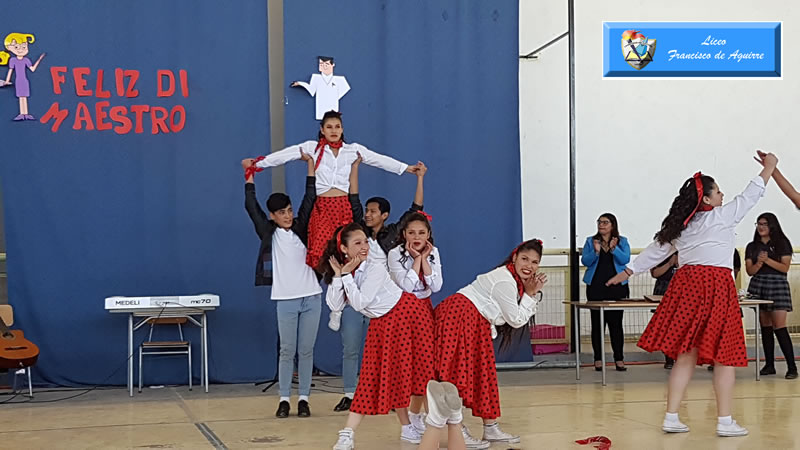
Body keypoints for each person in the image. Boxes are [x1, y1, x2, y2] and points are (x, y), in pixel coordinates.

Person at [608, 151, 779, 437]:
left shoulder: (681, 228)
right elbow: (751, 194)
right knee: (724, 355)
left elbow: (655, 251)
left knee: (685, 355)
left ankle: (671, 416)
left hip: (687, 287)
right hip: (717, 287)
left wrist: (628, 271)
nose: (723, 195)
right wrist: (770, 167)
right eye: (718, 191)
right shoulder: (723, 216)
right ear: (707, 200)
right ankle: (725, 421)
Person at [243, 110, 421, 270]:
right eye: (329, 127)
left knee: (346, 251)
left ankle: (346, 290)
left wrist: (407, 168)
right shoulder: (313, 148)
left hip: (344, 207)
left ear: (342, 129)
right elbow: (286, 155)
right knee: (321, 255)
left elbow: (379, 160)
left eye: (337, 127)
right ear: (322, 130)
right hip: (322, 208)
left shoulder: (352, 150)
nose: (334, 130)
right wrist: (258, 164)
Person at [322, 223, 435, 446]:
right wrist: (338, 276)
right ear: (344, 249)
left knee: (420, 373)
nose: (364, 246)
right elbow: (335, 304)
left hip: (406, 315)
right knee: (374, 377)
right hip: (383, 323)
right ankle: (349, 434)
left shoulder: (375, 267)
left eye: (365, 241)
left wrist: (345, 277)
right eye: (358, 243)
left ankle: (428, 424)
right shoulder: (347, 271)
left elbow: (360, 302)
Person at [434, 239, 547, 448]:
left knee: (483, 374)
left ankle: (490, 427)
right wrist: (531, 294)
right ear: (514, 257)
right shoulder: (505, 281)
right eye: (524, 259)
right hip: (459, 317)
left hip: (474, 320)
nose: (529, 266)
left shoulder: (513, 280)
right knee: (456, 375)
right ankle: (457, 431)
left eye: (534, 262)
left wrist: (528, 293)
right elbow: (516, 320)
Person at [387, 210, 441, 435]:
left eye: (421, 232)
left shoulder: (433, 252)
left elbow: (436, 286)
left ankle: (416, 415)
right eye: (411, 233)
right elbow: (407, 287)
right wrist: (417, 259)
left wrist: (425, 259)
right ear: (404, 234)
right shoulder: (394, 254)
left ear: (428, 234)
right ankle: (405, 425)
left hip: (424, 311)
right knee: (402, 367)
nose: (417, 237)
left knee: (425, 366)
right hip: (401, 312)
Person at [746, 213, 797, 379]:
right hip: (759, 284)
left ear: (772, 226)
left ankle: (792, 367)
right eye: (758, 224)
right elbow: (750, 271)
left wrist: (767, 260)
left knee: (779, 325)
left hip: (777, 284)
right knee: (765, 325)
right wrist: (760, 262)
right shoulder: (752, 246)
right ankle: (769, 365)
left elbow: (784, 268)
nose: (761, 227)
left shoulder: (782, 243)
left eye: (765, 224)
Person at [581, 213, 631, 371]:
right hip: (596, 287)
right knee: (597, 323)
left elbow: (625, 259)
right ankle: (598, 359)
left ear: (612, 225)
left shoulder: (622, 241)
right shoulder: (591, 241)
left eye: (605, 222)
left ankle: (619, 359)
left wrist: (614, 249)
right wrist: (596, 252)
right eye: (599, 222)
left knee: (616, 324)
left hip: (617, 287)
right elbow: (585, 261)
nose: (601, 225)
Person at [650, 252, 678, 369]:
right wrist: (670, 263)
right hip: (663, 289)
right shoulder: (662, 252)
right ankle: (669, 358)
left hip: (683, 289)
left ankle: (680, 356)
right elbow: (654, 273)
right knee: (666, 326)